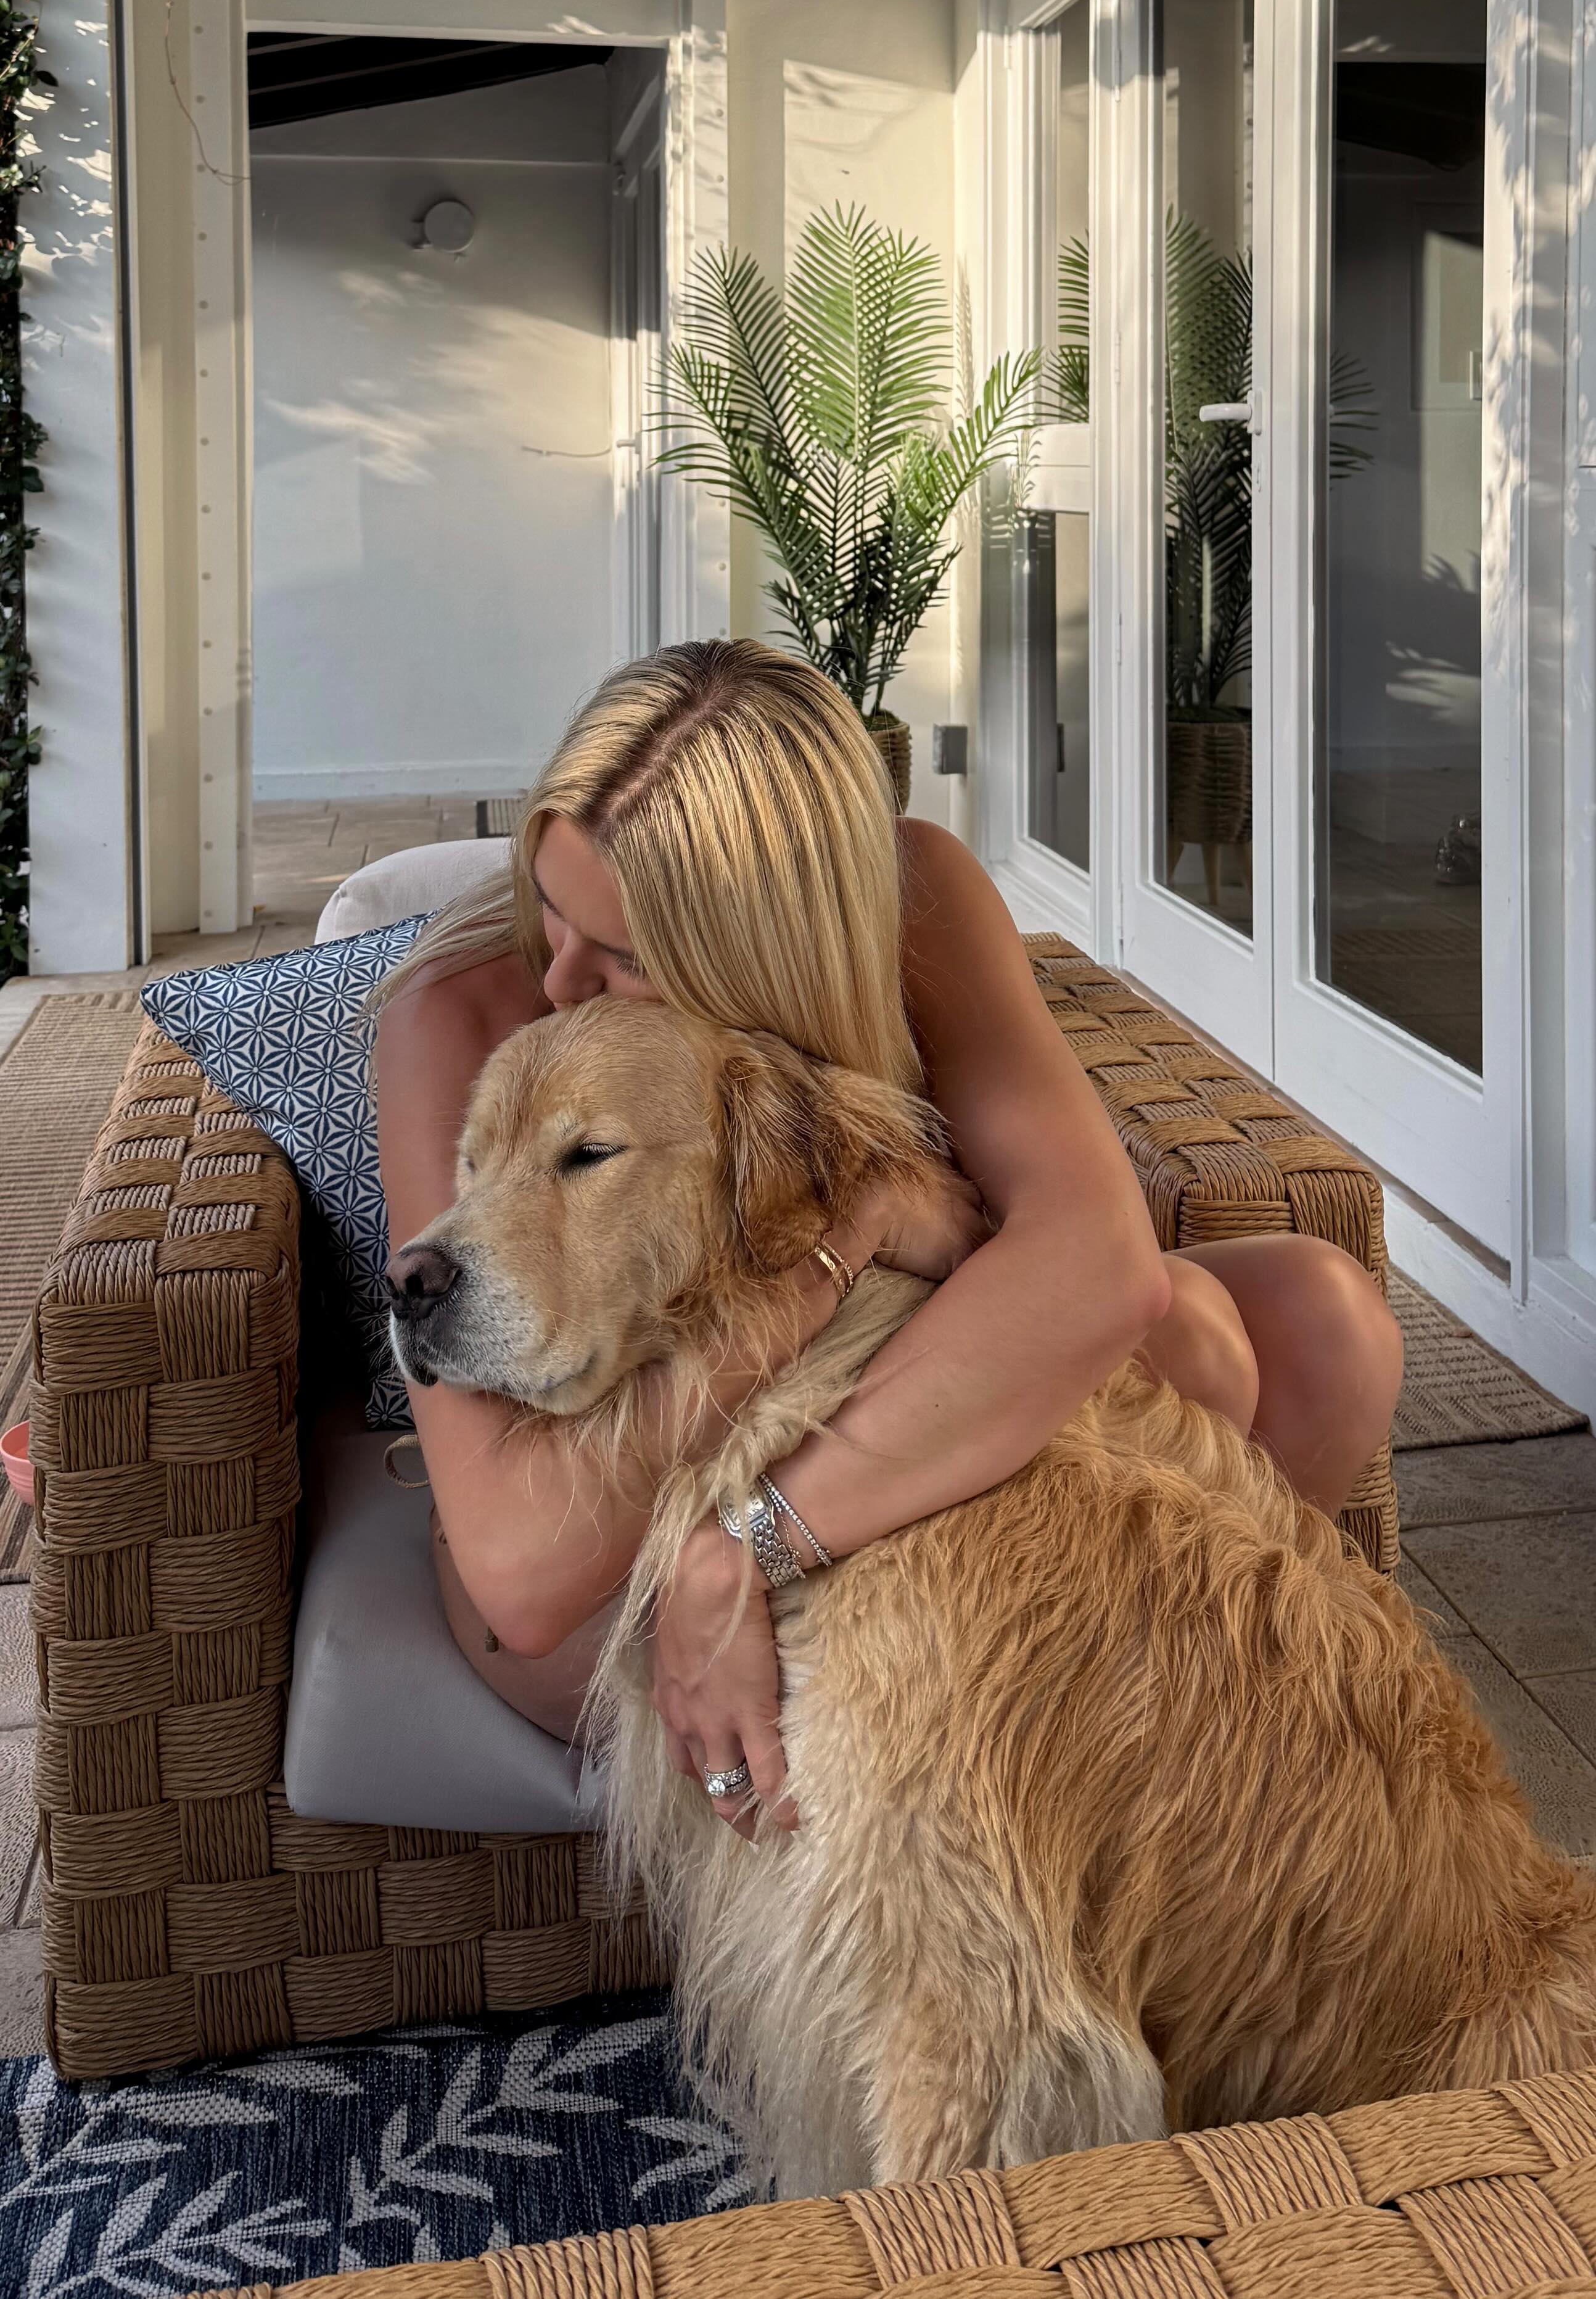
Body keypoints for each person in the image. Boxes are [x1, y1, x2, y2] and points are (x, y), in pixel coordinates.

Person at [374, 640, 1401, 1837]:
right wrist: (847, 1245)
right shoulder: (456, 1015)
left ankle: (1214, 1752)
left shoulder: (911, 897)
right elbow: (524, 1579)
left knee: (1309, 1321)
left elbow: (1100, 1265)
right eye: (547, 910)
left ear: (773, 947)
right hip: (622, 1520)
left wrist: (750, 1542)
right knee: (1191, 1357)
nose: (557, 986)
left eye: (628, 960)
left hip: (842, 1421)